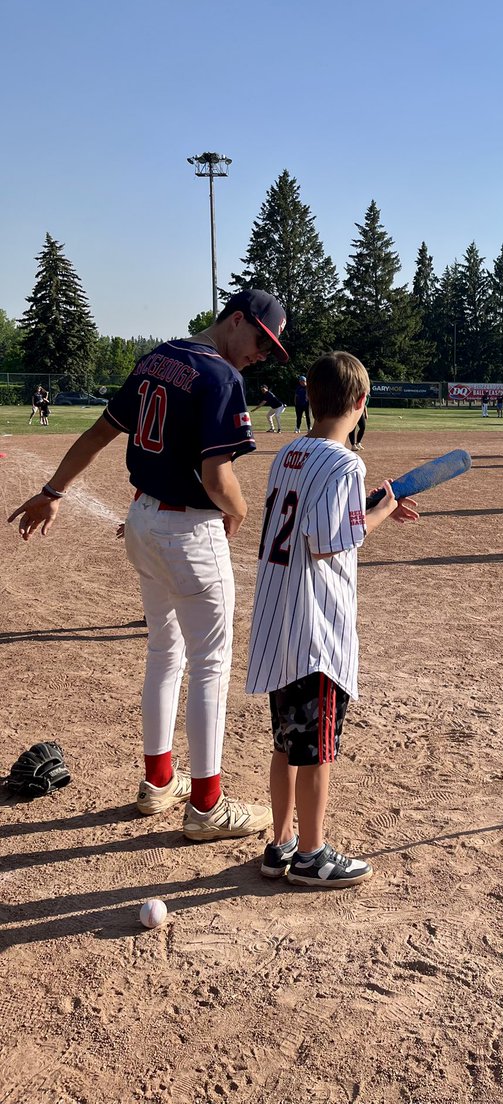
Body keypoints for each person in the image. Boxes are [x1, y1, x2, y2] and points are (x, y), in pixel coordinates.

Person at [8, 288, 289, 839]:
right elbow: (217, 479)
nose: (261, 354)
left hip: (142, 520)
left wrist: (53, 489)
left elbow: (99, 433)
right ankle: (207, 806)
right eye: (260, 340)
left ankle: (158, 781)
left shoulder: (158, 358)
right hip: (189, 530)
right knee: (209, 662)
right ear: (236, 322)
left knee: (165, 651)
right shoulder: (221, 378)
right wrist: (241, 509)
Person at [246, 352, 418, 887]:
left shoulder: (289, 453)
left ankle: (280, 845)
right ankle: (313, 855)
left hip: (278, 622)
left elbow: (311, 520)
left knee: (284, 745)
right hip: (316, 630)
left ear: (311, 398)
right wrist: (384, 510)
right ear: (361, 403)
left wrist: (365, 505)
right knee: (317, 750)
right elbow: (331, 541)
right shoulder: (347, 463)